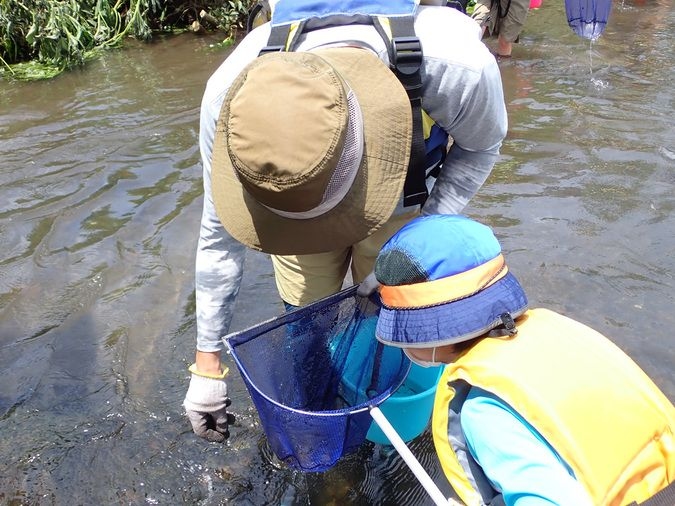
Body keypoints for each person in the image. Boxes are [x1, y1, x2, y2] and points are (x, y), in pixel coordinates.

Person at [183, 0, 508, 443]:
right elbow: (218, 239)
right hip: (290, 216)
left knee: (392, 318)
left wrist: (418, 238)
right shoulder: (228, 100)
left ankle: (385, 423)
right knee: (306, 326)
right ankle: (320, 406)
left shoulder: (453, 64)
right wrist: (206, 366)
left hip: (399, 199)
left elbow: (482, 146)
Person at [371, 214, 675, 506]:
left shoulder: (483, 412)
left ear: (433, 332)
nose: (402, 345)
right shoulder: (558, 330)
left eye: (406, 334)